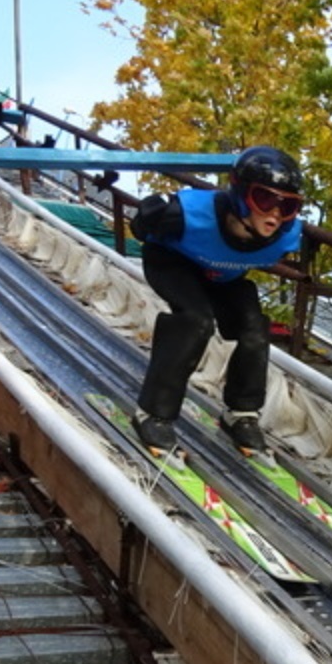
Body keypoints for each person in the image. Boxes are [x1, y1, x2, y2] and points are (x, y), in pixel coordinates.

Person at [130, 145, 307, 455]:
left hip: (223, 277)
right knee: (195, 321)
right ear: (240, 195)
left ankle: (240, 413)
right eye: (265, 199)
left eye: (288, 206)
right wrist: (152, 215)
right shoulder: (188, 214)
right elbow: (141, 225)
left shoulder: (287, 237)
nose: (276, 215)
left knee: (254, 328)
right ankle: (153, 413)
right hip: (173, 262)